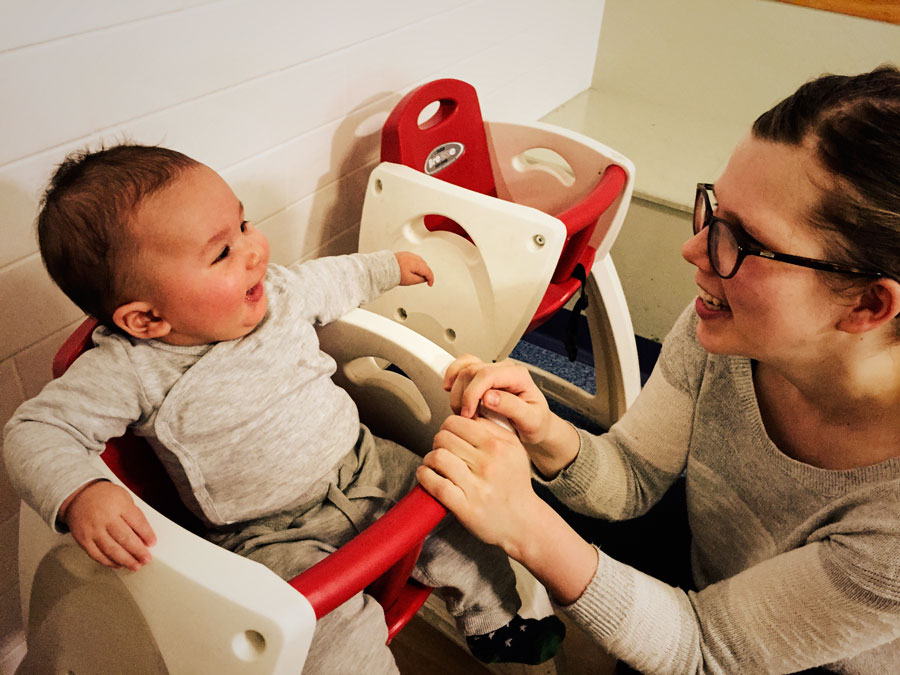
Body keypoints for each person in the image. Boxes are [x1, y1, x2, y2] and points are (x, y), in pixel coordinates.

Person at [3, 144, 564, 673]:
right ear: (148, 320)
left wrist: (389, 266)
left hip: (365, 465)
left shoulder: (276, 293)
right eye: (223, 252)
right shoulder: (128, 368)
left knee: (459, 519)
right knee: (321, 634)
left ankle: (498, 619)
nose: (255, 250)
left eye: (243, 224)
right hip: (267, 536)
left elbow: (334, 276)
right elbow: (33, 430)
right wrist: (81, 492)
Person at [416, 65, 900, 674]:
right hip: (712, 584)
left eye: (742, 240)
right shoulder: (728, 329)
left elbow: (703, 650)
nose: (694, 250)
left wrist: (526, 525)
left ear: (867, 304)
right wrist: (545, 434)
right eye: (714, 212)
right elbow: (635, 476)